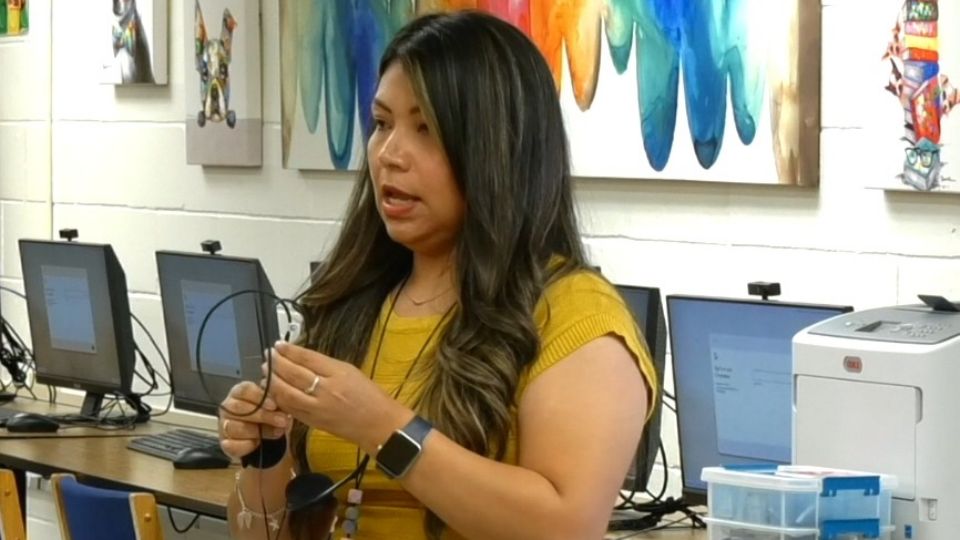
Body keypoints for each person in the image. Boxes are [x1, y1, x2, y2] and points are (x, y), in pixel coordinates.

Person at [217, 10, 656, 540]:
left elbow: (565, 527)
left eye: (426, 129)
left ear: (498, 147)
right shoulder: (353, 301)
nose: (389, 155)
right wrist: (265, 455)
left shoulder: (577, 317)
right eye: (382, 124)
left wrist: (380, 426)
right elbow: (262, 533)